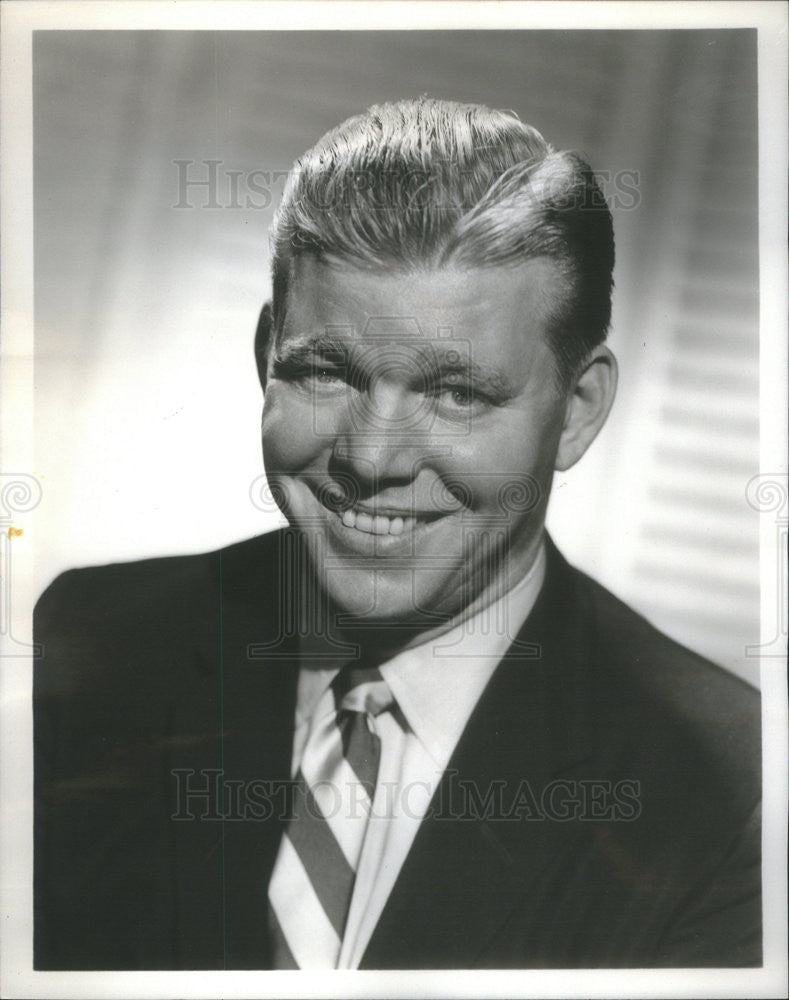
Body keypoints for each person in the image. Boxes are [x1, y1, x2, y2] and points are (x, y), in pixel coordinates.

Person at [34, 98, 761, 970]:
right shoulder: (94, 642)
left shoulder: (729, 791)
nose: (372, 458)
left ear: (576, 411)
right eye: (326, 372)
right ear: (267, 354)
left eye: (456, 393)